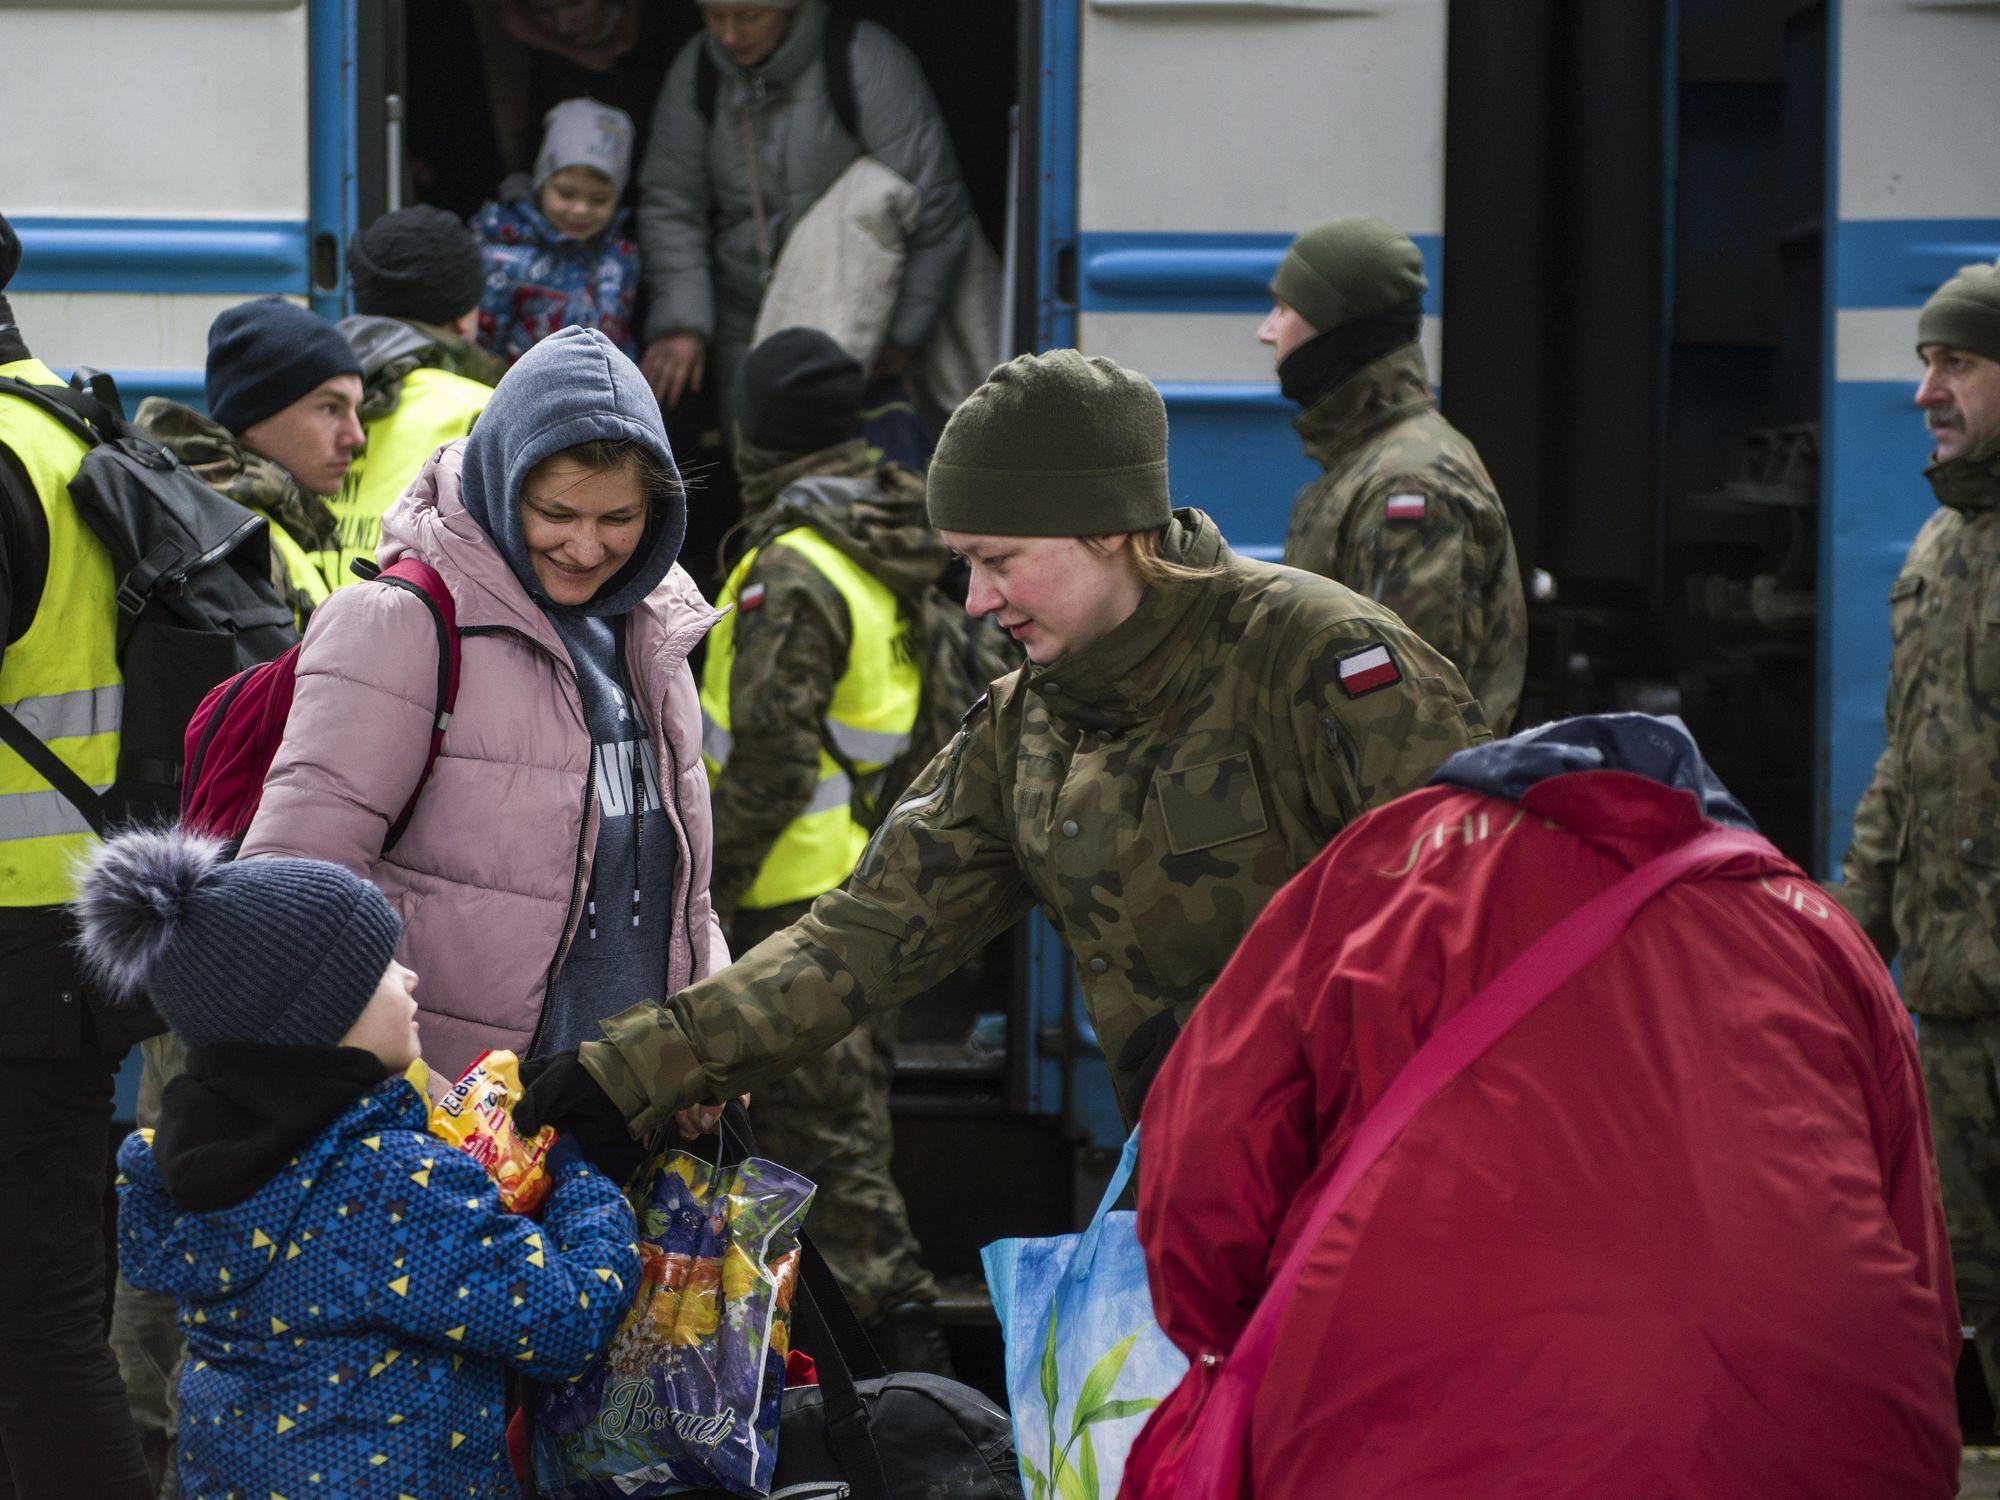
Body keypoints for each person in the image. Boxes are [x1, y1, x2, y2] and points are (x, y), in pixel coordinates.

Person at [516, 349, 1491, 1154]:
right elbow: (862, 938)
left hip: (1392, 1175)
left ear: (1107, 528)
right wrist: (630, 1072)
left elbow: (1479, 934)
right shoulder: (1025, 725)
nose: (975, 601)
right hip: (1207, 1189)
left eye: (996, 561)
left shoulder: (1316, 659)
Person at [1125, 715, 1962, 1500]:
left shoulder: (1377, 870)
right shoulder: (1815, 926)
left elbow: (1201, 1181)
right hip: (1829, 1437)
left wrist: (1257, 1344)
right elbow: (1919, 1261)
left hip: (1414, 1431)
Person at [237, 325, 727, 1089]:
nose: (588, 548)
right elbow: (293, 884)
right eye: (557, 514)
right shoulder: (397, 625)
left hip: (625, 1111)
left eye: (619, 520)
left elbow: (681, 886)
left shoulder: (655, 633)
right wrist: (405, 1086)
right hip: (453, 1124)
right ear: (504, 484)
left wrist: (711, 1039)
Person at [80, 828, 638, 1497]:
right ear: (320, 1015)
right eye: (382, 965)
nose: (409, 976)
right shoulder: (391, 1185)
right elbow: (567, 1323)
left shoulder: (195, 1176)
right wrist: (581, 1178)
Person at [703, 327, 957, 1369]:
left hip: (782, 907)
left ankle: (922, 1410)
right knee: (816, 1158)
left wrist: (697, 897)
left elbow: (763, 762)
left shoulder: (796, 566)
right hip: (853, 887)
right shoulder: (882, 545)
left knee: (832, 1173)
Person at [0, 209, 155, 1500]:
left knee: (36, 1331)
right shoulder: (67, 422)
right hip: (72, 933)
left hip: (10, 948)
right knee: (47, 1311)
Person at [1838, 256, 2000, 1421]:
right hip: (1947, 1009)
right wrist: (1846, 938)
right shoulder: (1938, 554)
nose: (1924, 391)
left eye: (1954, 363)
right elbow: (1901, 765)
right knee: (1964, 1295)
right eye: (1922, 364)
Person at [635, 0, 970, 423]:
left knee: (855, 474)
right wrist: (683, 321)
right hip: (742, 313)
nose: (729, 36)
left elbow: (934, 206)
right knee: (759, 469)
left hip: (856, 315)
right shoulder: (698, 67)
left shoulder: (860, 56)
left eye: (748, 17)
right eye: (714, 17)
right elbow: (671, 200)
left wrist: (901, 336)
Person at [1261, 214, 1527, 733]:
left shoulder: (1408, 484)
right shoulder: (1369, 462)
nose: (1266, 332)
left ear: (1338, 331)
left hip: (1393, 811)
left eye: (1285, 309)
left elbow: (1407, 714)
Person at [134, 298, 363, 630]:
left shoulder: (292, 523)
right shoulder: (230, 542)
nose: (356, 437)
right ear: (255, 417)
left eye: (357, 408)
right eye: (330, 408)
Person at [332, 205, 503, 590]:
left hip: (290, 640)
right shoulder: (482, 409)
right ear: (463, 317)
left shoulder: (292, 396)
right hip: (421, 637)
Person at [472, 97, 642, 369]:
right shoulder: (502, 252)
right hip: (520, 398)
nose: (580, 210)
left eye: (598, 200)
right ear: (542, 184)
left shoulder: (620, 256)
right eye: (566, 194)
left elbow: (621, 334)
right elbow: (482, 347)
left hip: (600, 400)